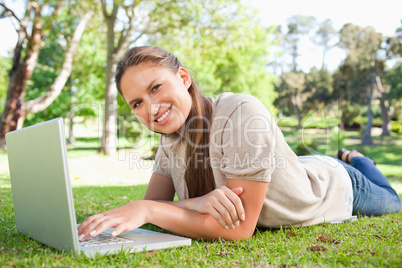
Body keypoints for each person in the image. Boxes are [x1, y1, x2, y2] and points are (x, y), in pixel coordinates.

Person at [77, 46, 401, 242]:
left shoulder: (241, 113)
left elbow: (239, 229)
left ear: (184, 79)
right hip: (294, 170)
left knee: (392, 202)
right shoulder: (170, 139)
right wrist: (192, 204)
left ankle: (359, 160)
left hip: (337, 185)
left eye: (156, 87)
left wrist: (146, 208)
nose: (150, 108)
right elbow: (155, 208)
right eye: (136, 104)